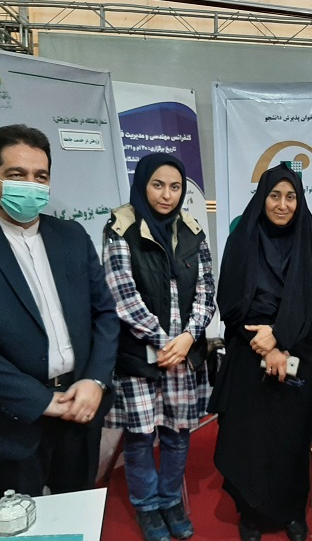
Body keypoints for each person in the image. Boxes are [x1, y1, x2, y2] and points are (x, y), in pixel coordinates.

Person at [0, 124, 119, 497]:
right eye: (17, 175)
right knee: (19, 520)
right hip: (10, 419)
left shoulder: (72, 236)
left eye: (40, 176)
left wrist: (95, 381)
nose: (31, 185)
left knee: (78, 509)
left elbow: (105, 315)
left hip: (80, 408)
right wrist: (43, 402)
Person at [209, 163, 312, 541]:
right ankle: (251, 514)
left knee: (291, 439)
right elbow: (230, 302)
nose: (282, 204)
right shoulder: (242, 238)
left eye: (290, 196)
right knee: (250, 439)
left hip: (298, 353)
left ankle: (293, 512)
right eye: (274, 195)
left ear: (300, 200)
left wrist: (280, 339)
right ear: (262, 197)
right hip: (249, 351)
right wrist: (263, 344)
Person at [103, 153, 215, 541]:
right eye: (158, 185)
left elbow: (206, 291)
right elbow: (122, 296)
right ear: (143, 185)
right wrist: (163, 341)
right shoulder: (120, 228)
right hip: (139, 354)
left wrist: (188, 338)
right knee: (139, 436)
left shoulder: (192, 231)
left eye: (175, 187)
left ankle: (170, 500)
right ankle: (147, 507)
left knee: (177, 433)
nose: (167, 195)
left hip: (183, 353)